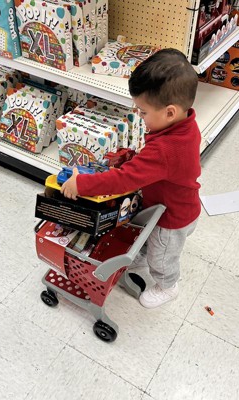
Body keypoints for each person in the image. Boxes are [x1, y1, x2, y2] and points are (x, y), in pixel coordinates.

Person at [61, 48, 201, 309]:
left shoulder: (165, 149)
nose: (140, 116)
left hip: (173, 218)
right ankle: (145, 257)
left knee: (163, 257)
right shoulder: (186, 123)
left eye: (144, 112)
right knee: (149, 241)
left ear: (170, 112)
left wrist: (81, 184)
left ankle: (167, 286)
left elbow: (124, 180)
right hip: (176, 203)